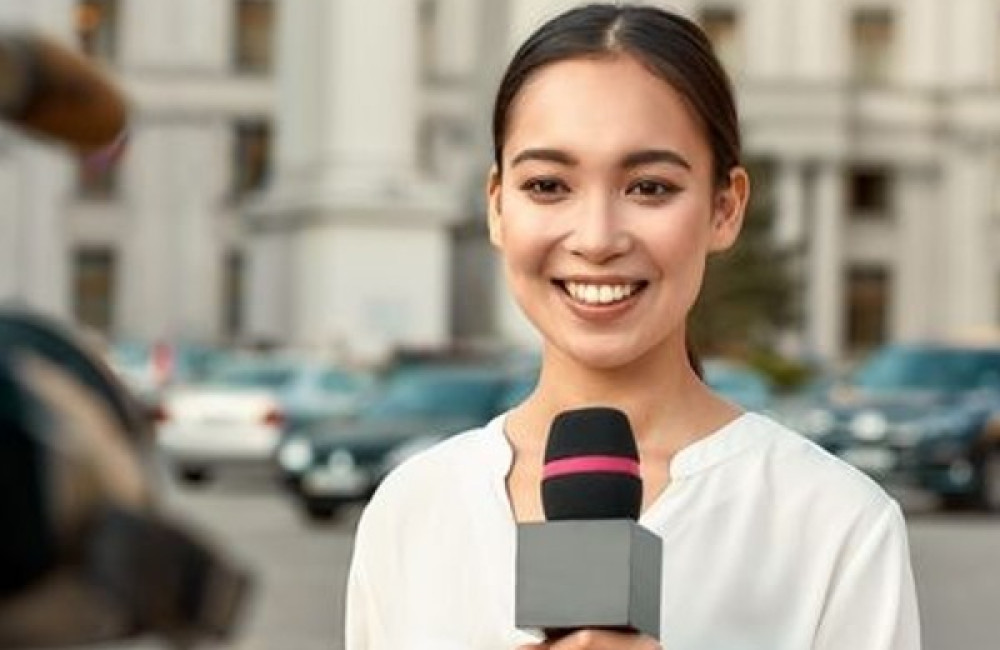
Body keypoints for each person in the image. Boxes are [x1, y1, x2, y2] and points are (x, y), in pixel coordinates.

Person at [344, 4, 920, 649]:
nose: (596, 239)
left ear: (725, 209)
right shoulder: (414, 509)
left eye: (648, 187)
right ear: (497, 207)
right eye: (548, 185)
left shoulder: (832, 521)